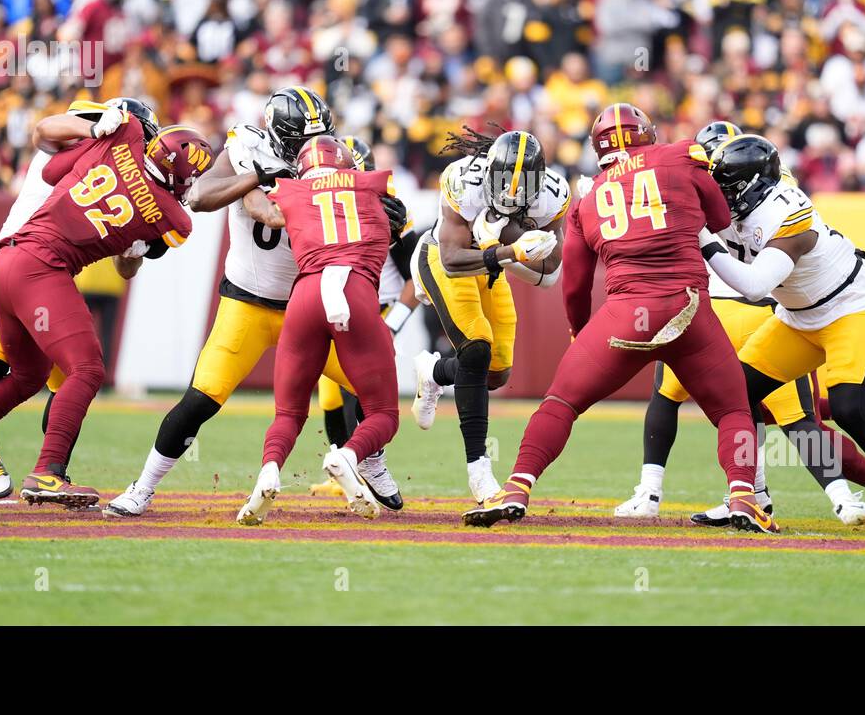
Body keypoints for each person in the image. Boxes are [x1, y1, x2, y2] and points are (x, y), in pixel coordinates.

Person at [463, 104, 771, 532]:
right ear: (647, 133)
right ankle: (743, 497)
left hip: (624, 314)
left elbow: (574, 282)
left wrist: (579, 330)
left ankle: (518, 487)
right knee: (733, 409)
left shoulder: (587, 198)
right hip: (688, 307)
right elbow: (719, 219)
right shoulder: (681, 155)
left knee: (560, 403)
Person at [106, 89, 410, 517]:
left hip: (307, 305)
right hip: (246, 303)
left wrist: (379, 207)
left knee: (372, 388)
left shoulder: (327, 156)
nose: (312, 145)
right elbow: (203, 197)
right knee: (201, 399)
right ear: (278, 136)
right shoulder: (248, 146)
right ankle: (143, 486)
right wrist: (260, 177)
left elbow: (360, 199)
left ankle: (372, 461)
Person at [0, 108, 211, 515]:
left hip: (3, 262)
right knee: (87, 370)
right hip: (43, 269)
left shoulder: (123, 135)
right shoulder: (174, 218)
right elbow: (133, 259)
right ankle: (47, 471)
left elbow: (51, 173)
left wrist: (95, 148)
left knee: (26, 378)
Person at [614, 122, 865, 526]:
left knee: (702, 403)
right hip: (752, 308)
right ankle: (817, 496)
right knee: (792, 419)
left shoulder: (750, 200)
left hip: (725, 309)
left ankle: (657, 491)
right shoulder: (762, 189)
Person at [699, 134, 865, 535]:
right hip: (797, 316)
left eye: (728, 190)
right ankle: (753, 497)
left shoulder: (788, 213)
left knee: (849, 409)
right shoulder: (744, 204)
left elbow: (755, 285)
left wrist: (703, 239)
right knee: (734, 394)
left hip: (850, 307)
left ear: (753, 185)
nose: (719, 199)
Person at [0, 98, 159, 500]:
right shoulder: (84, 132)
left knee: (74, 378)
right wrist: (93, 128)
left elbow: (126, 268)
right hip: (1, 264)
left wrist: (134, 249)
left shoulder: (125, 181)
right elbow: (44, 130)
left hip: (46, 282)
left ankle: (50, 472)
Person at [236, 136, 402, 524]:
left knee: (288, 412)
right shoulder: (373, 185)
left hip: (306, 295)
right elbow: (396, 220)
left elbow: (259, 206)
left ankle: (268, 472)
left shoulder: (291, 190)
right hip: (355, 291)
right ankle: (346, 455)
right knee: (383, 413)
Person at [409, 126, 568, 504]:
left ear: (540, 180)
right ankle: (480, 473)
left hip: (491, 269)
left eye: (523, 185)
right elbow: (451, 261)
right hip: (443, 259)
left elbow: (551, 272)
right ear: (488, 169)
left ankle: (433, 372)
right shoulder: (465, 180)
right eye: (504, 181)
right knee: (476, 349)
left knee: (497, 373)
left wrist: (515, 245)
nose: (512, 193)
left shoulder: (552, 193)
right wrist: (511, 251)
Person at [308, 134, 421, 498]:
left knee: (360, 391)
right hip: (336, 308)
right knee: (329, 394)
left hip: (377, 310)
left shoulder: (390, 210)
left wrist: (391, 324)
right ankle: (342, 470)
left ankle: (360, 464)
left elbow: (415, 277)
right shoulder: (324, 208)